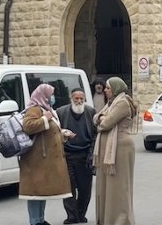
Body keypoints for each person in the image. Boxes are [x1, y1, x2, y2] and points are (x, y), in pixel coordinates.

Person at [19, 83, 72, 225]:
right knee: (34, 193)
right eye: (51, 94)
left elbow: (51, 131)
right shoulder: (35, 109)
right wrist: (44, 119)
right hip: (35, 160)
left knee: (41, 192)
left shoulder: (47, 109)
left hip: (44, 160)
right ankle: (35, 221)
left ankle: (40, 220)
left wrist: (63, 134)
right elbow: (28, 126)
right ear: (44, 95)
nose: (53, 97)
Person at [93, 77, 136, 225]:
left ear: (116, 89)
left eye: (108, 88)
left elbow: (105, 123)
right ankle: (108, 218)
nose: (105, 90)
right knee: (107, 186)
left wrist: (102, 119)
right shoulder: (111, 103)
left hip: (121, 148)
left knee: (119, 186)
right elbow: (96, 118)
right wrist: (101, 119)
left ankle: (121, 220)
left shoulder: (122, 103)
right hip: (110, 149)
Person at [58, 89, 98, 224]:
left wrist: (93, 154)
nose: (79, 101)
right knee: (68, 188)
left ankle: (81, 213)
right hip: (67, 155)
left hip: (85, 155)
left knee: (85, 188)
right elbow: (55, 132)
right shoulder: (61, 112)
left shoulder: (91, 112)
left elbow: (95, 135)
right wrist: (63, 134)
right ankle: (72, 215)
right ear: (71, 98)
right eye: (76, 99)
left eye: (82, 99)